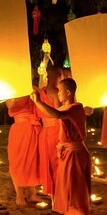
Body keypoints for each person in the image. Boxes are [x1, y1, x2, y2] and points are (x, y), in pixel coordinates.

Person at [31, 78, 91, 215]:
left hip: (75, 153)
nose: (57, 94)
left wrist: (38, 102)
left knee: (77, 187)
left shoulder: (76, 108)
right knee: (69, 186)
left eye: (60, 91)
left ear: (68, 92)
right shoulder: (66, 107)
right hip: (67, 152)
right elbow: (56, 114)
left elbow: (57, 115)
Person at [6, 81, 42, 207]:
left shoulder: (33, 89)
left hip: (33, 127)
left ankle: (32, 193)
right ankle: (19, 194)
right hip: (20, 128)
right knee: (18, 160)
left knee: (32, 160)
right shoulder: (11, 89)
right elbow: (10, 106)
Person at [36, 64, 63, 198]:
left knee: (49, 162)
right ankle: (58, 194)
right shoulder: (54, 91)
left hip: (44, 130)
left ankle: (53, 194)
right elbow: (59, 112)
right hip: (55, 130)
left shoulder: (41, 92)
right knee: (57, 162)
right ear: (59, 76)